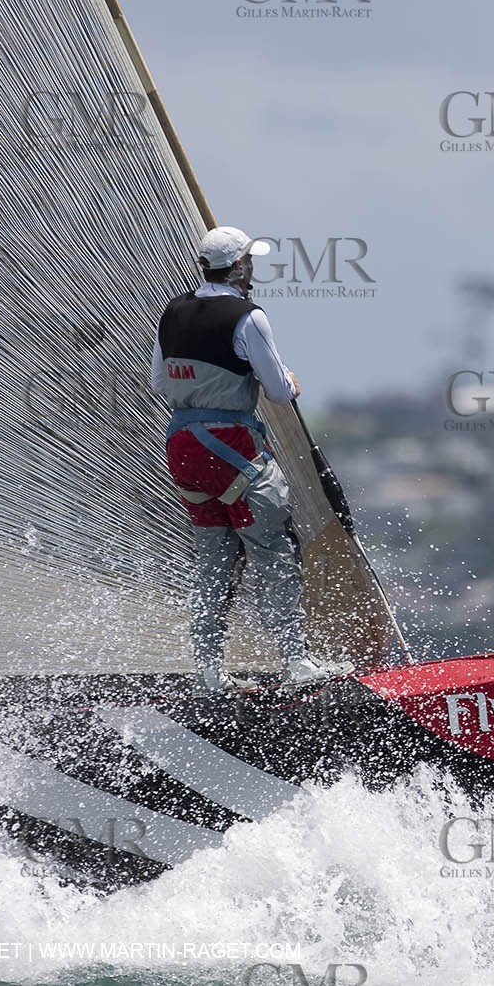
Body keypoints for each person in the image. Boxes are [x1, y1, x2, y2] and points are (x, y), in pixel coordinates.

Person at [150, 226, 351, 693]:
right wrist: (291, 382)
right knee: (272, 550)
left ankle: (207, 672)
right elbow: (279, 392)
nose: (252, 270)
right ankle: (296, 662)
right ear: (239, 267)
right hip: (233, 447)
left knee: (214, 560)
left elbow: (161, 383)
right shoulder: (249, 316)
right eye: (250, 263)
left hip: (182, 446)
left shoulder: (172, 312)